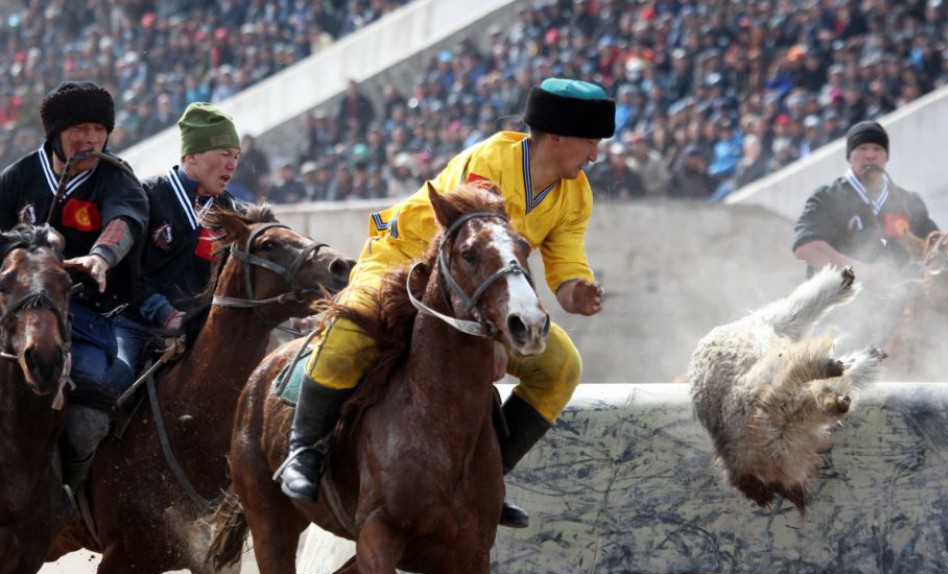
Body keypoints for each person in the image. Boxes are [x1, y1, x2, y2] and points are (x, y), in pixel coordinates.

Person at [278, 78, 614, 529]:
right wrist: (493, 338)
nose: (595, 154)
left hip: (483, 294)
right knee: (350, 333)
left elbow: (567, 266)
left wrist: (580, 293)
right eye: (590, 141)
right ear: (556, 135)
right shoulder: (490, 161)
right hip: (406, 260)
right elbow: (456, 247)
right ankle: (303, 451)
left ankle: (490, 476)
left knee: (562, 368)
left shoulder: (578, 194)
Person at [0, 81, 148, 489]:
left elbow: (126, 218)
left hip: (95, 315)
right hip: (23, 310)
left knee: (89, 409)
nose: (91, 139)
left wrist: (102, 255)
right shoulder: (19, 177)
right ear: (55, 133)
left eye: (100, 129)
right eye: (79, 128)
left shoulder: (116, 177)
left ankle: (66, 494)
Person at [115, 102, 244, 385]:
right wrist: (164, 312)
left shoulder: (234, 214)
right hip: (135, 325)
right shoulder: (146, 196)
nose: (232, 164)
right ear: (192, 156)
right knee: (113, 379)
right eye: (223, 153)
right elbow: (125, 271)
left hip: (201, 332)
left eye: (236, 155)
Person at [791, 120, 938, 347]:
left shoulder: (907, 202)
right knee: (842, 348)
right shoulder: (827, 197)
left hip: (897, 314)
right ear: (850, 156)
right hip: (835, 315)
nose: (870, 155)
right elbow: (807, 248)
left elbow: (935, 244)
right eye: (862, 148)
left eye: (877, 149)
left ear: (886, 157)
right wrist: (864, 272)